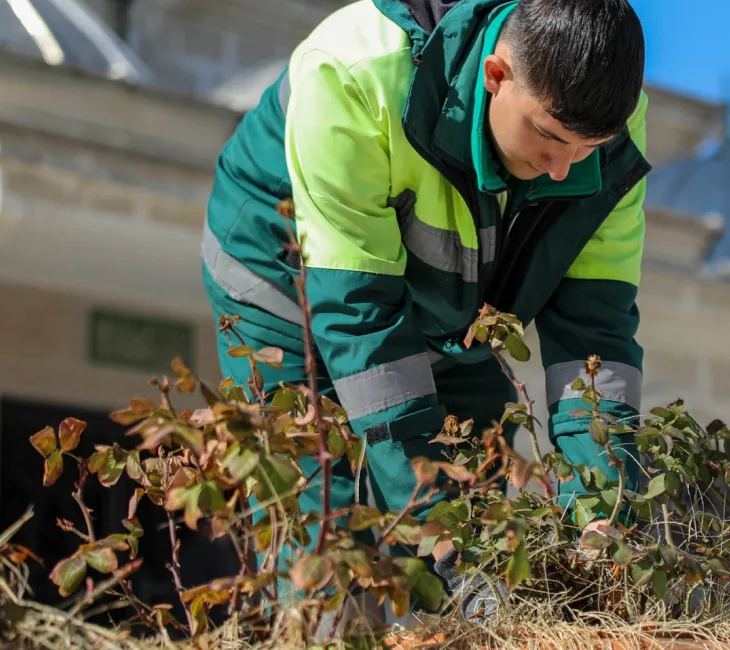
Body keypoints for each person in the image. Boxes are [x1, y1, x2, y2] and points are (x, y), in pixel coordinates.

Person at [201, 0, 649, 623]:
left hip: (453, 314)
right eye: (548, 135)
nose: (563, 167)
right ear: (497, 74)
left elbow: (595, 331)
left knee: (479, 535)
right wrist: (431, 516)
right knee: (332, 555)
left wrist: (601, 503)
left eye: (587, 146)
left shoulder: (613, 120)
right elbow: (360, 321)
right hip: (294, 291)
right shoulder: (355, 72)